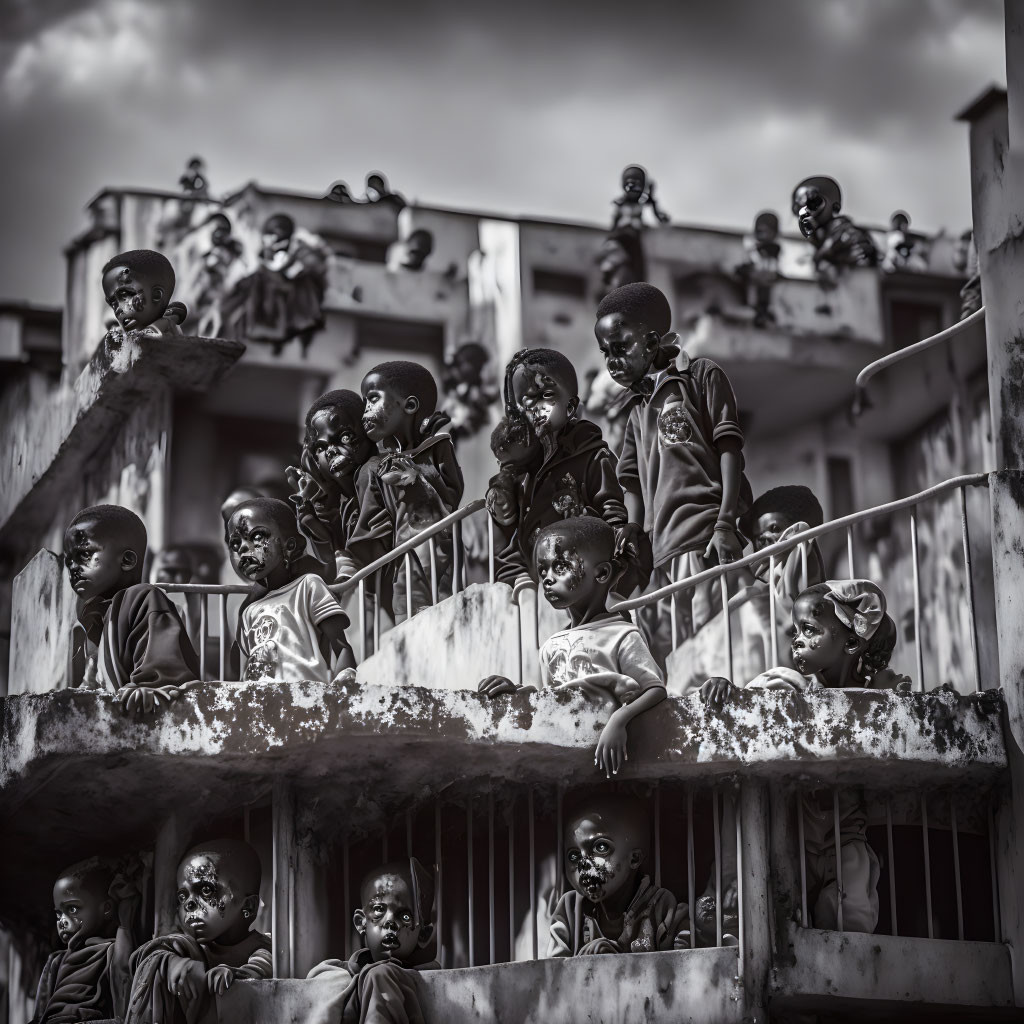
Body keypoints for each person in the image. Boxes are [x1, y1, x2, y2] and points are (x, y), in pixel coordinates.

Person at [700, 580, 912, 935]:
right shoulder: (791, 687)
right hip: (791, 834)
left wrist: (892, 697)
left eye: (809, 629)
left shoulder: (873, 696)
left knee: (853, 913)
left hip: (845, 836)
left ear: (850, 642)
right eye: (795, 630)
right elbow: (749, 705)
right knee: (780, 911)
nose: (796, 638)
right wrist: (727, 688)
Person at [595, 282, 752, 662]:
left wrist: (726, 523)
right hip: (661, 554)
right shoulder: (635, 406)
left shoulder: (699, 376)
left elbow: (729, 449)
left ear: (651, 342)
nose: (612, 361)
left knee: (715, 648)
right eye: (605, 353)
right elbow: (630, 478)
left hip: (703, 539)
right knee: (676, 657)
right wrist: (633, 527)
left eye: (621, 348)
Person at [479, 517, 666, 777]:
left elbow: (655, 689)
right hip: (564, 760)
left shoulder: (622, 634)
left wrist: (619, 721)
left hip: (612, 761)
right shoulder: (549, 646)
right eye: (543, 570)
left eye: (561, 567)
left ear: (601, 574)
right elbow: (548, 697)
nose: (547, 579)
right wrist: (515, 690)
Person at [493, 348, 640, 591]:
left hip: (585, 586)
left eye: (545, 396)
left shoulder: (593, 456)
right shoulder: (524, 471)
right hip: (537, 592)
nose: (533, 407)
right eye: (523, 403)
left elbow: (612, 516)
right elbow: (513, 539)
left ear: (571, 406)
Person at [353, 360, 464, 622]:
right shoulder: (376, 467)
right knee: (408, 615)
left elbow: (452, 494)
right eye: (364, 403)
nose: (365, 411)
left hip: (442, 547)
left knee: (445, 613)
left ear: (410, 406)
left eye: (372, 399)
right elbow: (371, 523)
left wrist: (417, 477)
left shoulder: (438, 447)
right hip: (403, 555)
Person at [64, 505, 200, 713]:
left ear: (126, 560)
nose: (73, 567)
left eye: (84, 554)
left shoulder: (143, 598)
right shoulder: (93, 615)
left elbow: (164, 662)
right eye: (69, 560)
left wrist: (149, 687)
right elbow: (91, 681)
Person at [125, 840, 271, 1024]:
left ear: (248, 905)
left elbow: (261, 967)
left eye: (207, 890)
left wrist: (233, 974)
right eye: (182, 896)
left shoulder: (261, 947)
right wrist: (170, 963)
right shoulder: (186, 948)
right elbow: (143, 957)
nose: (189, 904)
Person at [225, 497, 355, 683]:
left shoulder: (308, 587)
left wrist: (345, 678)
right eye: (235, 544)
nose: (243, 548)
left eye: (256, 536)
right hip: (258, 704)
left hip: (305, 697)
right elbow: (240, 672)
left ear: (290, 545)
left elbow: (341, 646)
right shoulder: (247, 613)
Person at [548, 794, 689, 955]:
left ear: (634, 858)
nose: (583, 864)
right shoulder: (570, 909)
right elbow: (554, 973)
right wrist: (585, 962)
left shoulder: (660, 907)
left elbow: (680, 966)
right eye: (574, 856)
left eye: (600, 848)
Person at [307, 858, 437, 1024]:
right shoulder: (341, 971)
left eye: (404, 916)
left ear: (423, 935)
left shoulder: (388, 976)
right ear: (361, 922)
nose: (390, 922)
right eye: (378, 910)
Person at [30, 859, 138, 1024]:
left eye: (72, 909)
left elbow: (123, 985)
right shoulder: (56, 962)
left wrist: (125, 919)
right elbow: (40, 1014)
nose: (62, 921)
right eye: (59, 914)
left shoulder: (109, 952)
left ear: (106, 909)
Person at [287, 390, 379, 581]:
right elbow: (328, 556)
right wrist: (309, 514)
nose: (331, 451)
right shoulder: (339, 502)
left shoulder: (378, 473)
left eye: (344, 437)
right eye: (320, 447)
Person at [101, 249, 188, 343]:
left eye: (125, 297)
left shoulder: (163, 324)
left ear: (156, 295)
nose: (118, 310)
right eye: (113, 304)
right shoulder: (130, 335)